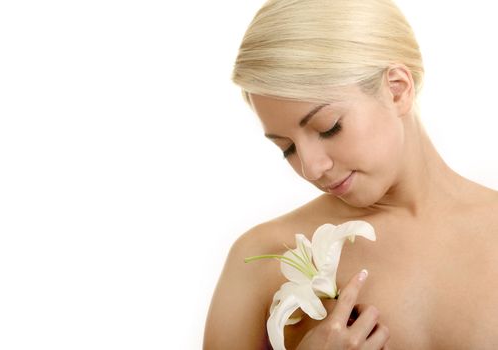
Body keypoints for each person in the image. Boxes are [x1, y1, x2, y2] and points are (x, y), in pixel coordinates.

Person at [203, 0, 498, 348]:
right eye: (286, 148)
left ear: (397, 89)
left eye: (328, 128)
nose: (310, 168)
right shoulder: (262, 259)